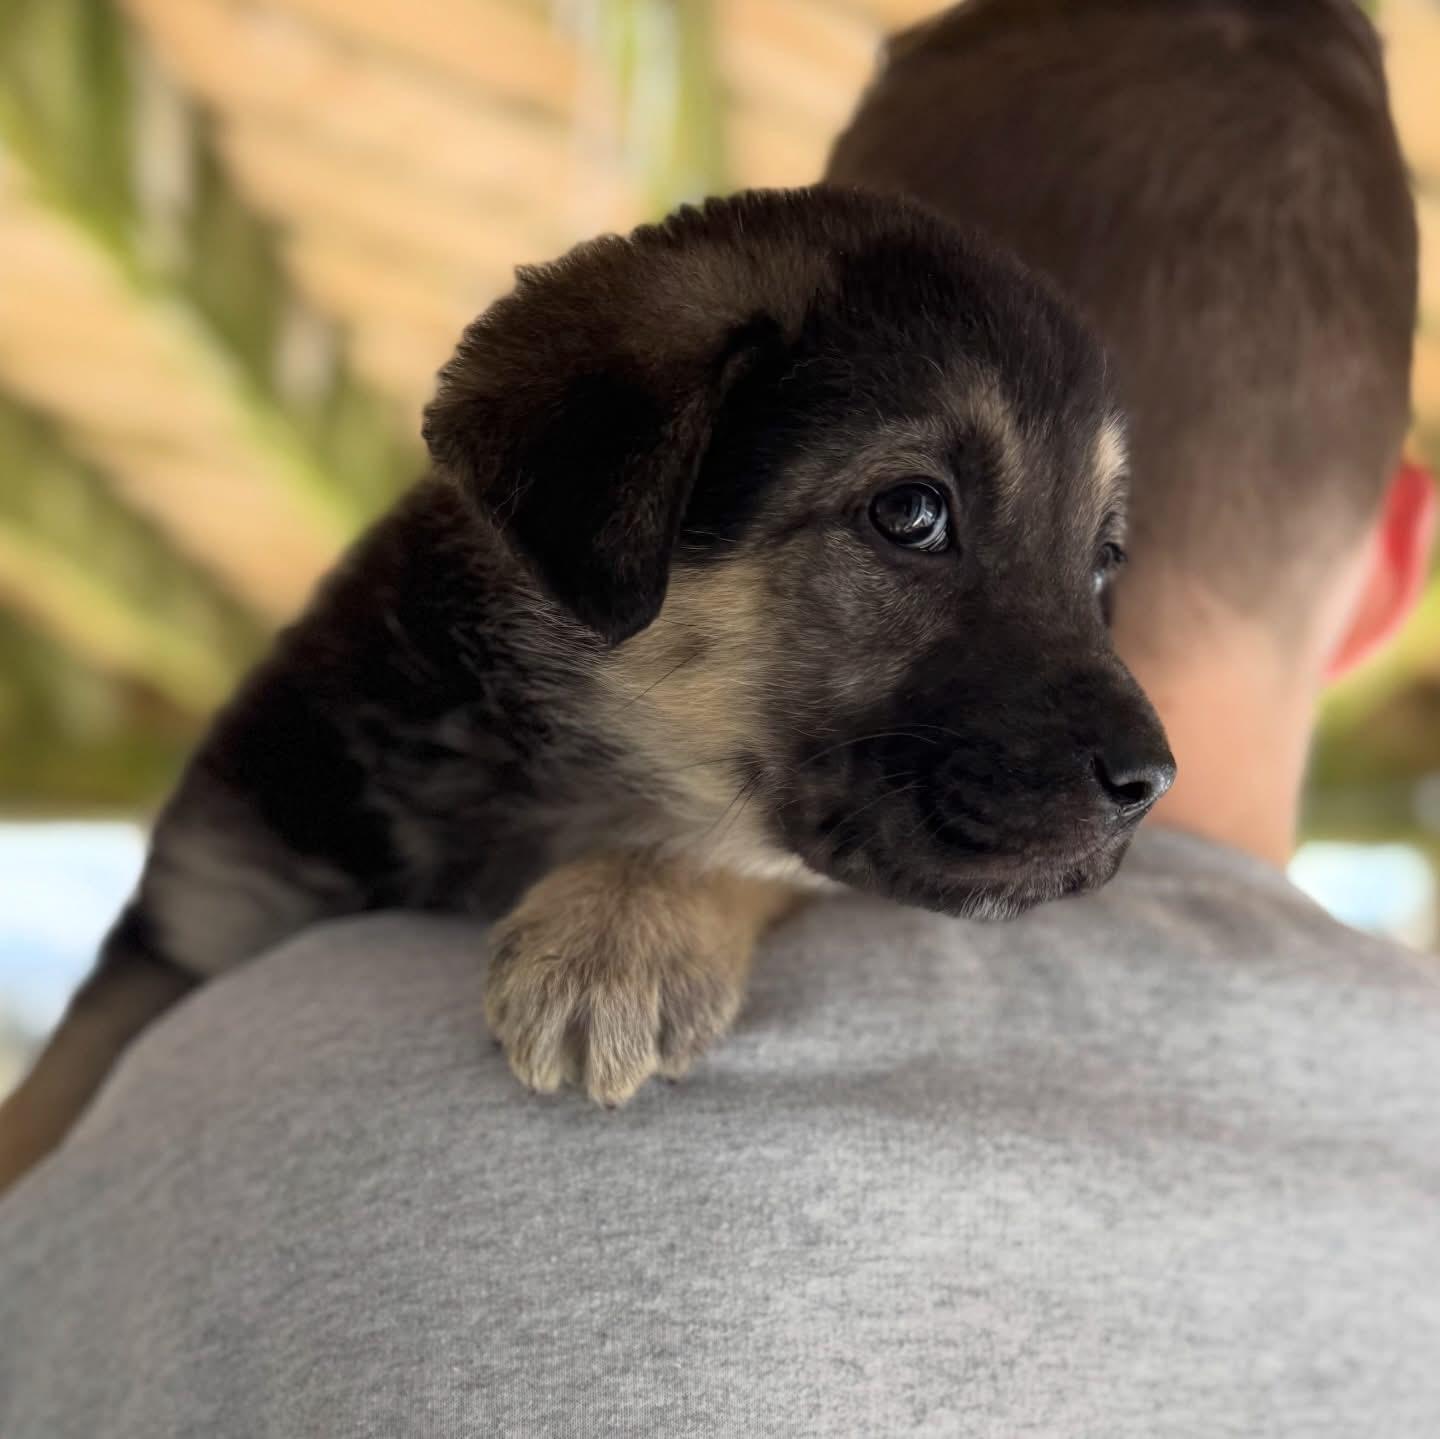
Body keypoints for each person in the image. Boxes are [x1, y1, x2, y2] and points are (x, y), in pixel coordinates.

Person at [2, 2, 1437, 1434]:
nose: (1133, 744)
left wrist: (699, 881)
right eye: (912, 513)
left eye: (1101, 554)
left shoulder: (222, 1110)